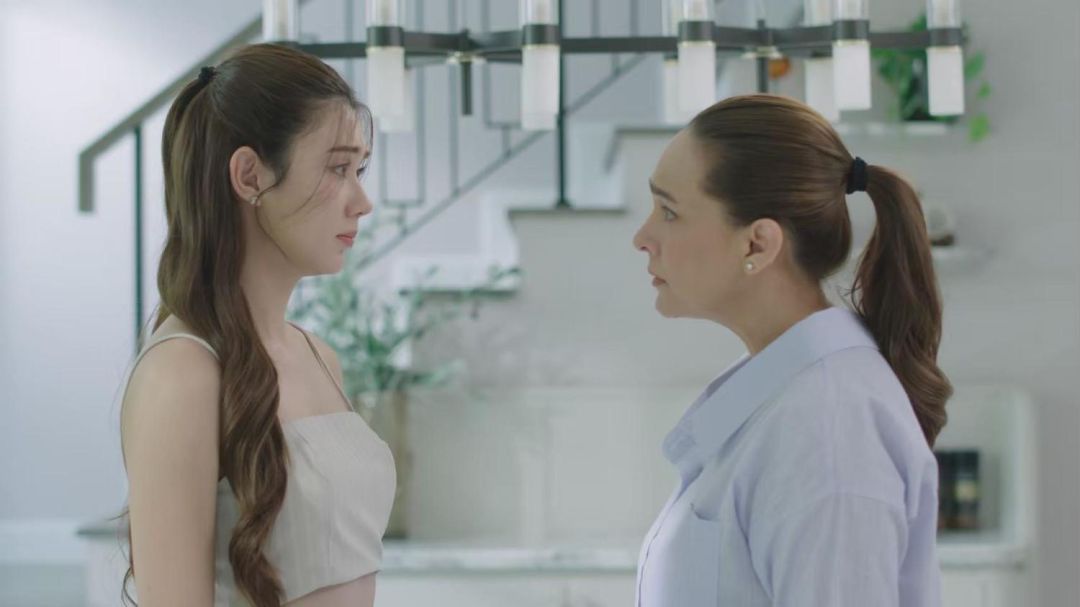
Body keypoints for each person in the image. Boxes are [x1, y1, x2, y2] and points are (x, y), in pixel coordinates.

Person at [632, 94, 952, 607]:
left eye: (669, 212)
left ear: (757, 244)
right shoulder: (788, 402)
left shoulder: (828, 434)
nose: (642, 238)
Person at [118, 43, 395, 607]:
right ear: (250, 176)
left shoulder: (319, 357)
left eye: (360, 170)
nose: (362, 201)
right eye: (338, 169)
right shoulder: (182, 375)